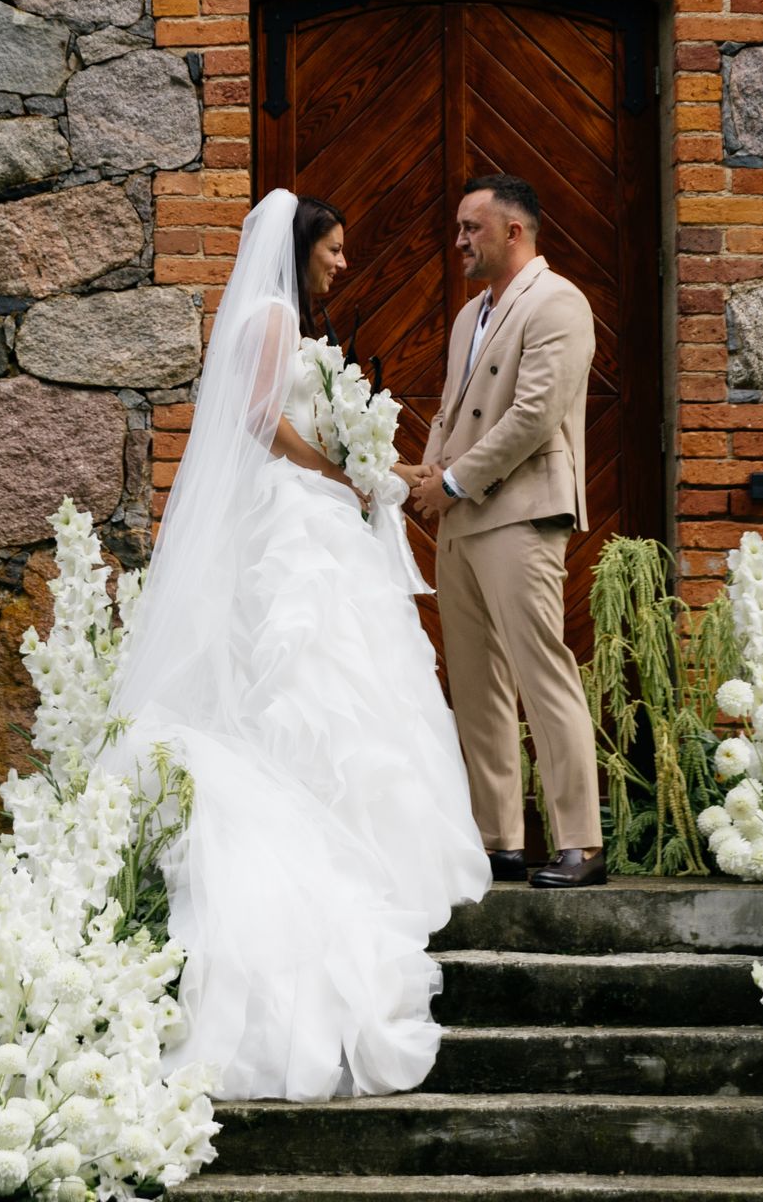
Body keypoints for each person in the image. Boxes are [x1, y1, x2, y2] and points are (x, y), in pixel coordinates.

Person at [108, 189, 488, 1101]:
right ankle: (335, 826)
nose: (344, 264)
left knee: (335, 669)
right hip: (292, 515)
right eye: (335, 249)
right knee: (307, 661)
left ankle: (349, 822)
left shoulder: (280, 319)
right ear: (300, 247)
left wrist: (370, 468)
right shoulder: (275, 317)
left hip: (306, 504)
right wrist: (340, 471)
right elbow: (259, 422)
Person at [409, 174, 606, 890]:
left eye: (471, 228)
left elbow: (534, 415)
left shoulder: (559, 302)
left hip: (521, 511)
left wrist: (455, 481)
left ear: (513, 231)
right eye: (460, 228)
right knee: (476, 683)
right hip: (461, 517)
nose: (459, 240)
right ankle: (500, 842)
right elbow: (449, 412)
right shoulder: (471, 315)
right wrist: (427, 478)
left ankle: (581, 843)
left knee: (541, 673)